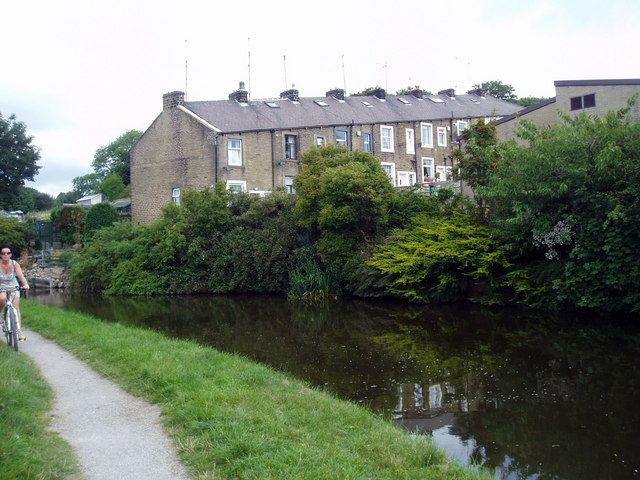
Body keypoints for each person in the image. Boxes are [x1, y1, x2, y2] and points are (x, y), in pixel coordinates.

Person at [0, 244, 30, 341]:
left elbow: (20, 276)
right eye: (3, 253)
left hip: (13, 286)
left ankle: (19, 331)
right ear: (0, 255)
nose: (5, 255)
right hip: (2, 286)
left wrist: (25, 284)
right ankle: (1, 313)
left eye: (8, 253)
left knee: (16, 307)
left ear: (11, 254)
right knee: (2, 299)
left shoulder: (14, 264)